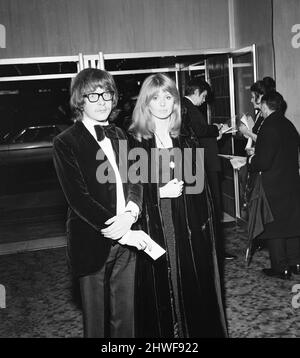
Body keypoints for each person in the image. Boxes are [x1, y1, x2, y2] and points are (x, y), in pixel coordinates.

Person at [53, 68, 151, 338]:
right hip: (92, 240)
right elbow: (79, 199)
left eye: (107, 94)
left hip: (127, 236)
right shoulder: (65, 142)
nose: (102, 101)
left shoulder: (119, 134)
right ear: (79, 100)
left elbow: (135, 178)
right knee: (95, 325)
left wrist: (131, 213)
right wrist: (119, 229)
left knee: (126, 320)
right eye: (93, 95)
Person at [129, 73, 227, 338]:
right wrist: (159, 192)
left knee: (191, 288)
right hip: (154, 228)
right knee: (161, 291)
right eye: (155, 97)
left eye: (168, 96)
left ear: (175, 102)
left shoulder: (186, 138)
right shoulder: (135, 142)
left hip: (188, 227)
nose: (162, 103)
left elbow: (201, 192)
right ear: (145, 103)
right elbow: (128, 193)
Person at [248, 91, 300, 280]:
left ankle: (281, 268)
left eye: (260, 105)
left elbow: (264, 162)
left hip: (274, 185)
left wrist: (251, 159)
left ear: (264, 106)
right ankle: (296, 263)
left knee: (274, 226)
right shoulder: (288, 125)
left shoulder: (268, 126)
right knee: (293, 224)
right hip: (292, 182)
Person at [181, 78, 235, 261]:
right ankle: (215, 250)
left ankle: (215, 249)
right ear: (196, 92)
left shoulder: (187, 107)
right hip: (204, 164)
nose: (204, 100)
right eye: (203, 96)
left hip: (203, 161)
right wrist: (216, 129)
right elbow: (199, 130)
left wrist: (214, 133)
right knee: (213, 205)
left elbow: (197, 133)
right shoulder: (187, 106)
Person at [239, 77, 276, 153]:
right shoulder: (259, 114)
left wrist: (247, 132)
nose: (251, 100)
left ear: (261, 97)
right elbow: (255, 135)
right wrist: (248, 133)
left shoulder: (269, 116)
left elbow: (265, 141)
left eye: (253, 97)